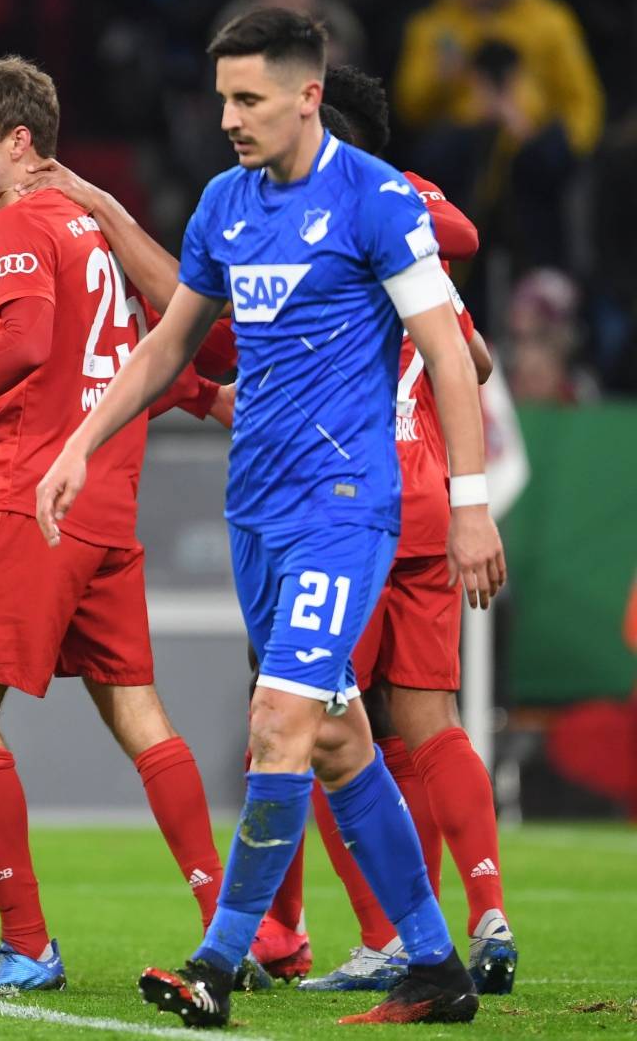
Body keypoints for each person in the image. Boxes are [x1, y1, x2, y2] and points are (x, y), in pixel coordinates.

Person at [35, 9, 505, 1028]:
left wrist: (468, 506)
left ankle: (217, 960)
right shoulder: (223, 203)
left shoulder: (377, 199)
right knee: (335, 739)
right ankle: (432, 964)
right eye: (220, 99)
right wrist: (80, 440)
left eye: (247, 99)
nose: (228, 119)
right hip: (254, 508)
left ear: (306, 93)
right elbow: (167, 346)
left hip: (347, 508)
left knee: (277, 720)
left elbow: (455, 361)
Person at [0, 57, 226, 994]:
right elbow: (136, 353)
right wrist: (209, 399)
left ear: (20, 143)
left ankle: (27, 942)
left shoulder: (28, 220)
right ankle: (239, 929)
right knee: (140, 713)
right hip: (109, 504)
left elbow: (28, 344)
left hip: (32, 494)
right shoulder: (91, 230)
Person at [249, 68, 514, 998]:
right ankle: (486, 910)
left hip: (354, 504)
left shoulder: (342, 229)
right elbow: (473, 355)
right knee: (424, 729)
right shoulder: (417, 261)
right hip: (434, 500)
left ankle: (372, 936)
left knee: (322, 723)